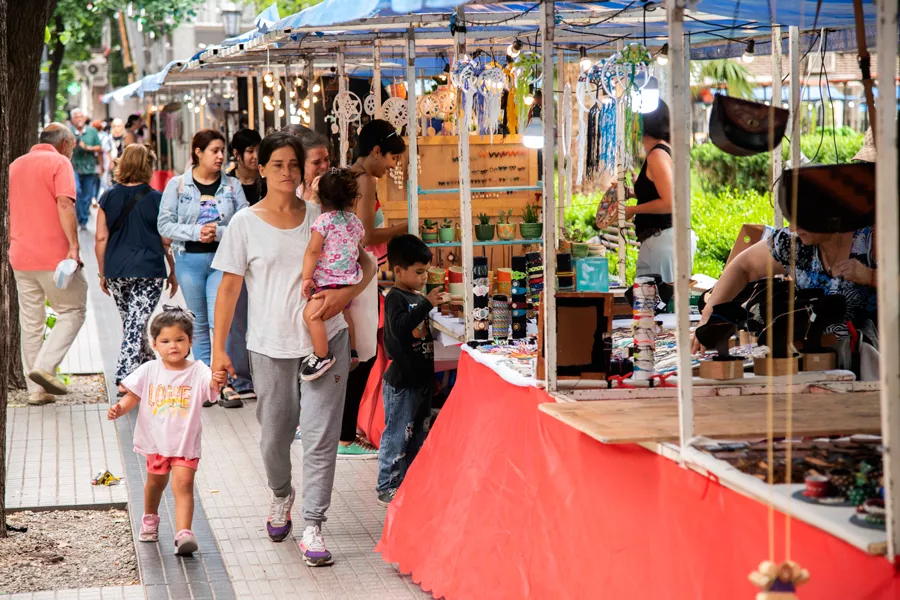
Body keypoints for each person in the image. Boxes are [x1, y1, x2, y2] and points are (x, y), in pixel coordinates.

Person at [211, 133, 376, 566]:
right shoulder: (244, 224)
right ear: (261, 168)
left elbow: (367, 263)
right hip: (270, 347)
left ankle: (314, 525)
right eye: (278, 164)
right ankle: (281, 493)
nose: (287, 172)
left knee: (321, 439)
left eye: (294, 164)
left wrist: (345, 295)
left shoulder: (324, 217)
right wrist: (218, 351)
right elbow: (228, 290)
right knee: (274, 438)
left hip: (327, 340)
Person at [107, 307, 226, 555]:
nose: (173, 346)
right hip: (157, 443)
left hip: (185, 443)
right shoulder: (150, 369)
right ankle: (150, 517)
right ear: (154, 344)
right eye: (165, 341)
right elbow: (133, 395)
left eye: (180, 339)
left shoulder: (198, 370)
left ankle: (184, 534)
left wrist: (217, 379)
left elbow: (211, 386)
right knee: (155, 483)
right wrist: (120, 408)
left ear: (190, 341)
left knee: (184, 484)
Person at [690, 225, 878, 363]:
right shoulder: (792, 241)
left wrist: (871, 276)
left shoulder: (872, 240)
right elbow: (744, 266)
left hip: (873, 367)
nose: (794, 227)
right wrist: (708, 317)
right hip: (813, 360)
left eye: (802, 219)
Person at [340, 119, 409, 458]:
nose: (393, 165)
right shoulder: (365, 180)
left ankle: (343, 430)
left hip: (350, 275)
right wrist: (406, 226)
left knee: (357, 353)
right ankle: (344, 437)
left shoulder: (349, 176)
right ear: (377, 151)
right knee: (363, 355)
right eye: (392, 158)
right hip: (361, 276)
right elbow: (366, 236)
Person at [158, 129, 248, 376]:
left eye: (222, 151)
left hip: (223, 260)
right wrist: (196, 232)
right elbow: (164, 225)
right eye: (214, 151)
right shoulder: (178, 185)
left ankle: (224, 379)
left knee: (221, 321)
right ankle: (206, 379)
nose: (220, 156)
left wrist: (218, 233)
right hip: (189, 260)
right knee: (198, 322)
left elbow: (245, 223)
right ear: (198, 152)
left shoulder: (232, 186)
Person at [9, 123, 85, 405]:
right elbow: (65, 203)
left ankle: (36, 391)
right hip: (55, 257)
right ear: (64, 144)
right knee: (73, 310)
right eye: (73, 145)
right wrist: (74, 246)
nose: (73, 150)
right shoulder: (60, 163)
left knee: (31, 322)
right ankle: (45, 366)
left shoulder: (15, 165)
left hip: (20, 255)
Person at [95, 144, 178, 393]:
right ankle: (125, 376)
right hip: (148, 270)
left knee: (134, 323)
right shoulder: (157, 199)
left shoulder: (108, 197)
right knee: (135, 324)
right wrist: (172, 270)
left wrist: (102, 272)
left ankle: (149, 368)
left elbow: (101, 238)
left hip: (117, 270)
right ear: (146, 166)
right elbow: (166, 239)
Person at [377, 235, 447, 506]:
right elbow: (400, 328)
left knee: (418, 434)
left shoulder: (415, 297)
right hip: (402, 383)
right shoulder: (395, 298)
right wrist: (426, 304)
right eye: (419, 272)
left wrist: (431, 378)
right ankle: (387, 485)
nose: (424, 277)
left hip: (421, 381)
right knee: (397, 435)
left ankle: (410, 482)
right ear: (398, 270)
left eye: (426, 271)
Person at [300, 168, 365, 380]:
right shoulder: (355, 222)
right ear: (352, 198)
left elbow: (313, 250)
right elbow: (359, 243)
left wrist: (306, 277)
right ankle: (352, 351)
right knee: (345, 314)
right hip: (349, 282)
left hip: (329, 282)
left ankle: (322, 355)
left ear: (320, 198)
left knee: (310, 315)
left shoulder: (323, 221)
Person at [622, 100, 696, 283]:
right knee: (655, 296)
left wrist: (633, 210)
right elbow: (660, 192)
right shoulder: (666, 151)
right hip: (667, 239)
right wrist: (633, 193)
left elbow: (670, 202)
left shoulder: (657, 155)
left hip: (663, 239)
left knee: (656, 296)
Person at [70, 108, 103, 229]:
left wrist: (87, 147)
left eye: (81, 116)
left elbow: (99, 147)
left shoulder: (92, 131)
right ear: (72, 119)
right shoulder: (69, 131)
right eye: (76, 117)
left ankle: (84, 219)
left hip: (89, 167)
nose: (79, 119)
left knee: (88, 195)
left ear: (85, 118)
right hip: (74, 166)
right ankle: (81, 217)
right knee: (77, 191)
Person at [227, 128, 264, 205]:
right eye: (250, 151)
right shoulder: (227, 183)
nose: (256, 156)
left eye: (258, 150)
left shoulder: (266, 181)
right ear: (236, 153)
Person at [297, 130, 332, 205]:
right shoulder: (291, 190)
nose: (325, 166)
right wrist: (314, 198)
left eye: (326, 159)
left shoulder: (337, 189)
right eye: (316, 162)